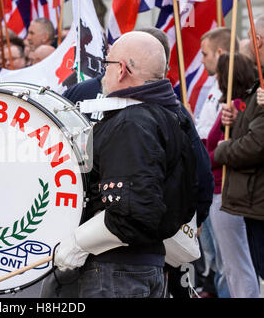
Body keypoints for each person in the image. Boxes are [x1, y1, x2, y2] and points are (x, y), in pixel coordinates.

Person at [41, 27, 214, 298]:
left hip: (116, 272)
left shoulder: (134, 122)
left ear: (121, 69)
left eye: (107, 63)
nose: (103, 73)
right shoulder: (170, 115)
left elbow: (134, 213)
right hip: (142, 267)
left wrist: (75, 245)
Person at [215, 15, 264, 296]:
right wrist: (235, 118)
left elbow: (255, 145)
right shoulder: (257, 87)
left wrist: (222, 149)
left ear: (257, 41)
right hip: (253, 200)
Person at [208, 53, 258, 298]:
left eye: (219, 73)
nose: (215, 77)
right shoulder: (237, 105)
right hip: (225, 190)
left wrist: (205, 156)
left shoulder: (239, 105)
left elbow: (221, 150)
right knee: (232, 264)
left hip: (225, 189)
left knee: (237, 264)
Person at [194, 28, 239, 298]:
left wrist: (206, 157)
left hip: (222, 183)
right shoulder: (212, 87)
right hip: (207, 179)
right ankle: (211, 286)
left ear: (221, 54)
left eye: (205, 54)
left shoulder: (233, 92)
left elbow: (219, 141)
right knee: (211, 252)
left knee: (228, 260)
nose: (201, 60)